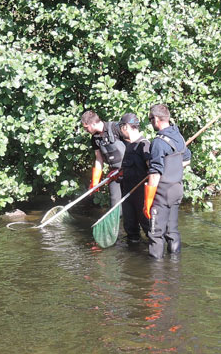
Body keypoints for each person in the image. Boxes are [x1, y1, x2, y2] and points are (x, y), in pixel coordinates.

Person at [143, 104, 191, 259]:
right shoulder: (178, 136)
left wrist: (148, 202)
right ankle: (175, 265)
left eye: (151, 119)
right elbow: (186, 161)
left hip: (163, 192)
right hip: (177, 188)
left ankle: (155, 274)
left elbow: (155, 173)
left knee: (156, 234)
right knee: (172, 231)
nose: (151, 123)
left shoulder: (158, 142)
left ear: (156, 119)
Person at [117, 112, 151, 244]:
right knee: (130, 228)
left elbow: (152, 170)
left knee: (148, 227)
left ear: (125, 127)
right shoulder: (129, 145)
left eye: (121, 127)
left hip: (141, 194)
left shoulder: (144, 145)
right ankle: (133, 252)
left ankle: (157, 258)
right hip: (128, 193)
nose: (120, 130)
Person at [80, 110, 124, 208]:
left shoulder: (115, 128)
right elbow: (99, 159)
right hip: (114, 173)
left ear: (93, 123)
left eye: (86, 128)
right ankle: (116, 220)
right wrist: (95, 181)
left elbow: (132, 145)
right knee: (114, 203)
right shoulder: (94, 139)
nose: (86, 131)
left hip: (129, 169)